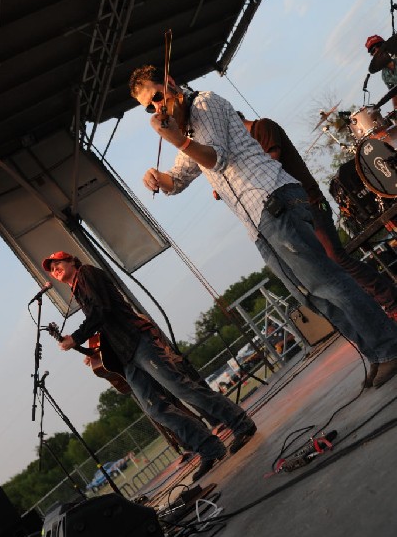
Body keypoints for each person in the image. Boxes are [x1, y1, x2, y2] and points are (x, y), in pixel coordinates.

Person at [128, 64, 397, 390]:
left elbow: (217, 158)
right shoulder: (186, 130)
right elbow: (180, 176)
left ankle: (388, 347)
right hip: (257, 222)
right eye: (149, 107)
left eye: (157, 97)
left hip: (274, 198)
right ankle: (374, 352)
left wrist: (177, 141)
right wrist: (159, 179)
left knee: (328, 282)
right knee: (314, 298)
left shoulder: (204, 103)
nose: (157, 108)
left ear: (170, 82)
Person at [42, 251, 257, 482]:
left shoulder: (87, 274)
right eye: (52, 269)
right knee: (155, 408)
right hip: (127, 354)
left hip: (138, 341)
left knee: (181, 388)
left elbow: (102, 309)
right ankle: (209, 448)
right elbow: (105, 321)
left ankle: (240, 423)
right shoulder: (78, 290)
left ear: (72, 261)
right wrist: (95, 351)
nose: (55, 270)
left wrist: (76, 337)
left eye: (58, 264)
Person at [238, 113, 397, 318]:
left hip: (309, 201)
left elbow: (271, 161)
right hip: (294, 209)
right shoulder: (251, 142)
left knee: (335, 257)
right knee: (326, 267)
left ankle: (390, 299)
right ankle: (377, 306)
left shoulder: (262, 128)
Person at [365, 35, 397, 109]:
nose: (376, 50)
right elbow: (393, 94)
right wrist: (395, 108)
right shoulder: (385, 75)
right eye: (373, 50)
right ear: (372, 55)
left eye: (379, 46)